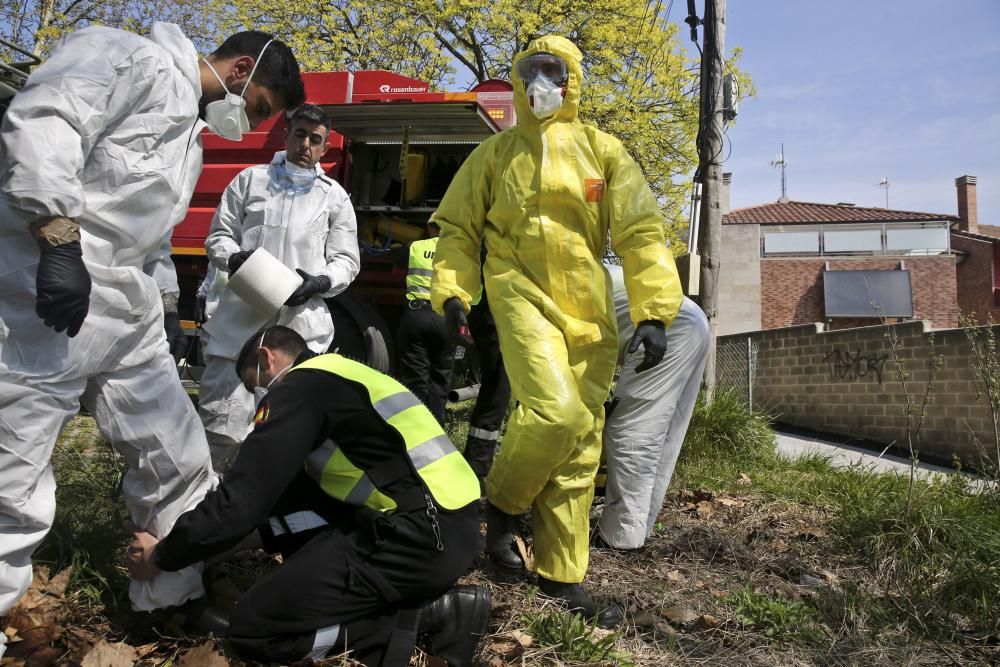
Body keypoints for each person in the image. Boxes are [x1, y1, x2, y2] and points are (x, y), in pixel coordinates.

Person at [0, 23, 304, 651]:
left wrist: (164, 299)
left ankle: (168, 597)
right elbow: (45, 120)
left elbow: (152, 231)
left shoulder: (188, 139)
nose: (249, 124)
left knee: (179, 454)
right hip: (43, 298)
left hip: (126, 311)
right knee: (13, 474)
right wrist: (57, 237)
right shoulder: (123, 55)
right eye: (260, 109)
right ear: (243, 72)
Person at [430, 35, 683, 627]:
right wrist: (454, 292)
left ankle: (560, 573)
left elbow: (642, 233)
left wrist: (652, 312)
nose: (543, 81)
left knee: (581, 437)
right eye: (532, 70)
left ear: (573, 79)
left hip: (588, 305)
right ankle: (501, 505)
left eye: (555, 70)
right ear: (518, 81)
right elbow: (459, 232)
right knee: (555, 412)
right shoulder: (495, 155)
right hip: (518, 290)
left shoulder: (603, 151)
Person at [125, 326, 490, 666]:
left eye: (257, 384)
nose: (261, 396)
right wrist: (216, 546)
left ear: (267, 358)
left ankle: (432, 615)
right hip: (451, 530)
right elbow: (302, 507)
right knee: (306, 550)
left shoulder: (298, 389)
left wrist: (164, 555)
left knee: (254, 630)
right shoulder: (346, 377)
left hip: (414, 541)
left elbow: (242, 499)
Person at [200, 104, 360, 469]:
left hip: (299, 333)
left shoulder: (333, 196)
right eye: (300, 134)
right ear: (286, 135)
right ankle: (211, 507)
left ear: (325, 148)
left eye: (315, 139)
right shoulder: (249, 180)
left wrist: (320, 282)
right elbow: (219, 237)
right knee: (221, 429)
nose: (305, 144)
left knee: (288, 437)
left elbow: (347, 260)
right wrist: (237, 259)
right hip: (237, 329)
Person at [596, 263, 709, 550]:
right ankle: (639, 527)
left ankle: (620, 540)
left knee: (630, 434)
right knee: (664, 435)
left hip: (665, 328)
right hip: (691, 319)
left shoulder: (552, 287)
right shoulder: (591, 269)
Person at [395, 221, 456, 425]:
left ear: (430, 228)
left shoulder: (415, 247)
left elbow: (393, 258)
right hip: (446, 319)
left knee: (415, 381)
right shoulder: (459, 254)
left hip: (417, 316)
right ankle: (437, 431)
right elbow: (475, 296)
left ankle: (414, 429)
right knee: (440, 381)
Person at [461, 290, 511, 487]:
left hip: (491, 312)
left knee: (497, 388)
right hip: (497, 314)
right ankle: (477, 464)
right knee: (498, 388)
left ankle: (478, 463)